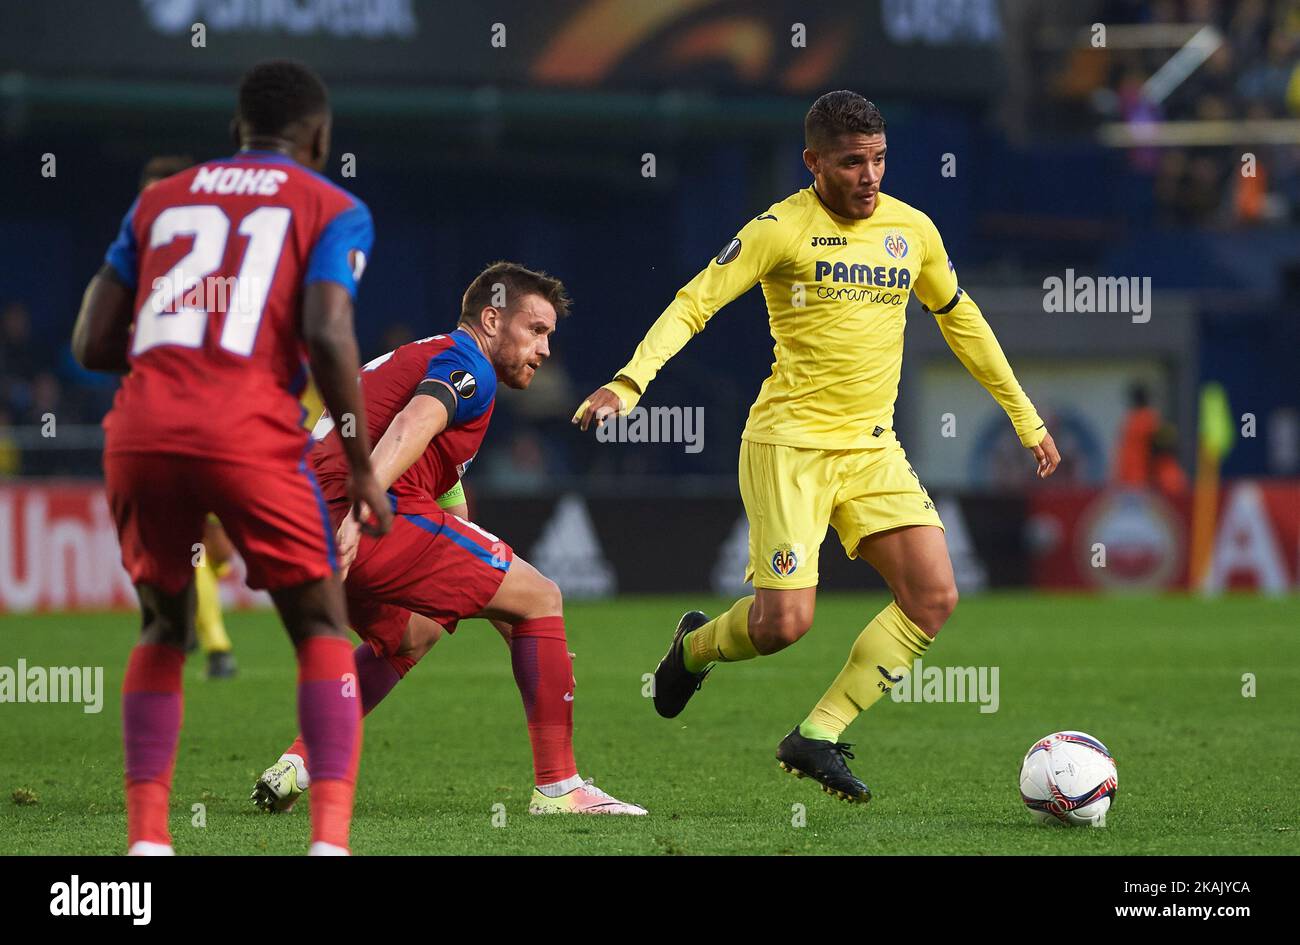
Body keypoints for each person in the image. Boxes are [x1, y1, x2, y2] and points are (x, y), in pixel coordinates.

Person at [574, 91, 1060, 803]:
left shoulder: (912, 230)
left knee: (932, 594)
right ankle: (695, 647)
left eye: (880, 160)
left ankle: (817, 735)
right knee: (784, 626)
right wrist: (630, 381)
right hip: (789, 447)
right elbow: (695, 301)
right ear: (814, 163)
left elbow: (963, 320)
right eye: (852, 162)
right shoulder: (780, 229)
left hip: (872, 449)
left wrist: (1026, 418)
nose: (870, 176)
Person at [72, 59, 391, 855]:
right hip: (246, 428)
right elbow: (325, 331)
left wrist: (178, 362)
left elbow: (90, 342)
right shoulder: (334, 205)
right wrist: (357, 463)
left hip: (140, 431)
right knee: (319, 621)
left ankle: (148, 843)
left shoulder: (159, 199)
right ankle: (328, 843)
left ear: (235, 133)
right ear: (318, 137)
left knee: (161, 625)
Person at [252, 262, 645, 816]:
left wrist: (517, 618)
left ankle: (303, 757)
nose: (546, 349)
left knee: (416, 635)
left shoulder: (423, 356)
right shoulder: (468, 366)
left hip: (302, 519)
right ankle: (560, 789)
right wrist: (364, 507)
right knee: (544, 598)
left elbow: (452, 513)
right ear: (491, 319)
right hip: (360, 513)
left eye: (550, 335)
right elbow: (414, 423)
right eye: (535, 330)